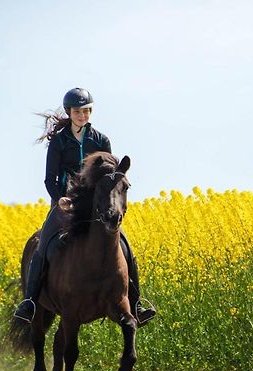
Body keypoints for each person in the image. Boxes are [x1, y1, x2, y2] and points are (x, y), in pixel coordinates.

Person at [13, 87, 156, 327]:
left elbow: (110, 176)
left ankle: (137, 303)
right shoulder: (59, 142)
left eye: (86, 111)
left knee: (125, 246)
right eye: (78, 111)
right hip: (65, 204)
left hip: (94, 207)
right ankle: (29, 302)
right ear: (70, 112)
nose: (82, 115)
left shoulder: (100, 140)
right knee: (43, 244)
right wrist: (60, 198)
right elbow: (50, 178)